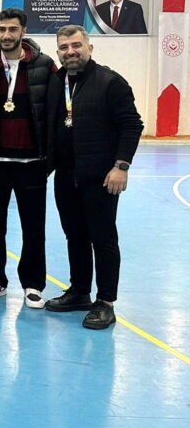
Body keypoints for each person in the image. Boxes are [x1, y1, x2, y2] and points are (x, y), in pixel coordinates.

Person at [44, 25, 143, 329]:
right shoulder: (56, 81)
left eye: (76, 45)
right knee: (75, 236)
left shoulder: (110, 82)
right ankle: (79, 292)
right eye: (64, 47)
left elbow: (132, 125)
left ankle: (106, 302)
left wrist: (121, 166)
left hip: (101, 177)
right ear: (58, 52)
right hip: (65, 175)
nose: (70, 52)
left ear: (89, 48)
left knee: (103, 238)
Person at [0, 8, 55, 308]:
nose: (7, 35)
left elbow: (54, 110)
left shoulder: (45, 65)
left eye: (13, 29)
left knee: (33, 227)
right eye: (2, 29)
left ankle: (33, 284)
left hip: (31, 162)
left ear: (23, 31)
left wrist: (50, 156)